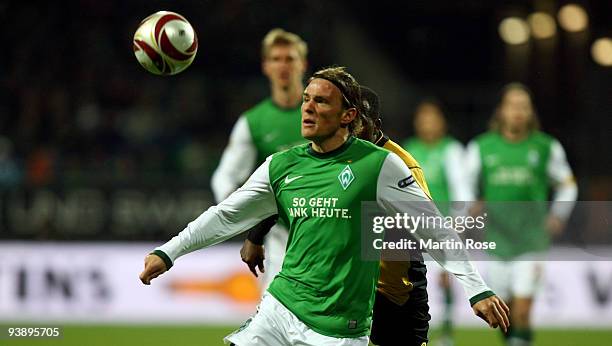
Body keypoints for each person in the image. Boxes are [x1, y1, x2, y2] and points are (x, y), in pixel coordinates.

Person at [140, 67, 509, 346]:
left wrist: (476, 287)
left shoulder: (384, 166)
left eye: (321, 101)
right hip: (283, 304)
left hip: (363, 308)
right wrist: (169, 252)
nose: (308, 109)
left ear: (352, 117)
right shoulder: (283, 164)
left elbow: (432, 230)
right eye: (306, 100)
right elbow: (227, 214)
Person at [240, 85, 436, 345]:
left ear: (375, 125)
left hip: (394, 291)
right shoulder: (330, 154)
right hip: (343, 285)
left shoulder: (400, 165)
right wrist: (256, 237)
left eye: (361, 124)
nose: (354, 130)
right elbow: (287, 190)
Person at [465, 83, 578, 346]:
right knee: (503, 313)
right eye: (513, 105)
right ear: (501, 111)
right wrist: (473, 205)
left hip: (532, 241)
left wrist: (559, 214)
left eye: (524, 106)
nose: (518, 111)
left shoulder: (545, 147)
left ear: (531, 112)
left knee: (523, 312)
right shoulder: (482, 147)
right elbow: (466, 186)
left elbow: (568, 184)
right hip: (497, 241)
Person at [211, 28, 308, 291]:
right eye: (276, 59)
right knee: (275, 318)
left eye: (290, 58)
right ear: (266, 66)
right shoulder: (253, 122)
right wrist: (247, 216)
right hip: (279, 236)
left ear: (303, 64)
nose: (283, 65)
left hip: (327, 230)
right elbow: (225, 177)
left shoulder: (324, 112)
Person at [402, 100, 472, 346]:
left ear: (441, 122)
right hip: (412, 233)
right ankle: (416, 333)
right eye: (423, 118)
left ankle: (447, 334)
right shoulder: (408, 150)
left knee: (444, 284)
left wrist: (457, 226)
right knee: (412, 287)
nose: (427, 123)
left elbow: (461, 192)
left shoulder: (451, 150)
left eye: (432, 118)